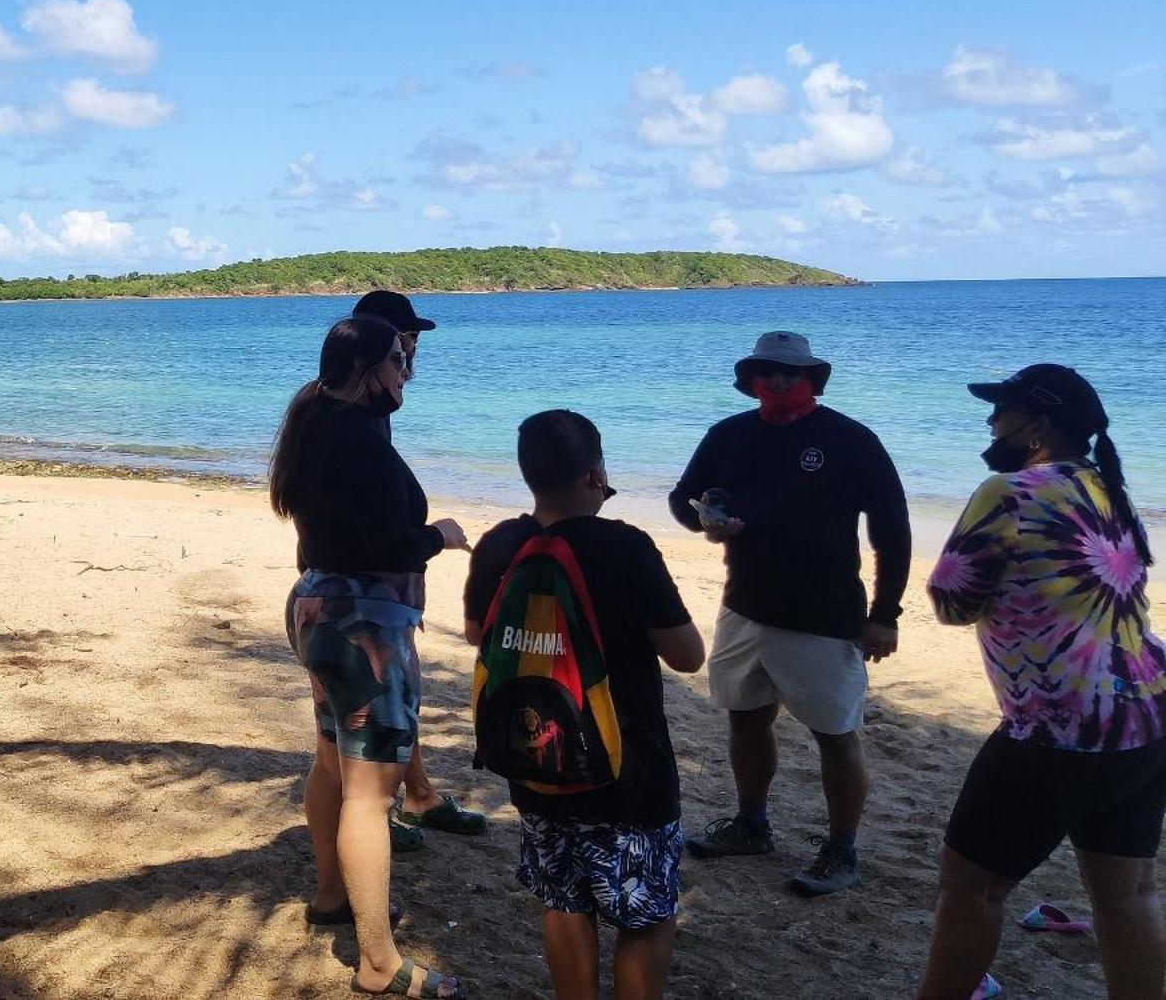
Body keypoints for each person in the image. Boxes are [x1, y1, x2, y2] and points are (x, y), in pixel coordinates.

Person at [916, 365, 1166, 1000]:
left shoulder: (1010, 491)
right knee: (1129, 893)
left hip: (1061, 725)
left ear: (1038, 423)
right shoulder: (1109, 486)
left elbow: (952, 600)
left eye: (1001, 409)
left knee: (970, 885)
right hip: (1147, 713)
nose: (990, 421)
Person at [465, 410, 705, 1000]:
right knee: (645, 916)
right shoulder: (627, 546)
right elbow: (687, 655)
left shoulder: (501, 542)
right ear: (596, 473)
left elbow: (478, 633)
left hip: (537, 757)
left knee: (564, 901)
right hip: (628, 770)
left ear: (528, 477)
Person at [666, 331, 910, 896]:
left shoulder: (849, 439)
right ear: (750, 379)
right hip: (744, 605)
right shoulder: (728, 434)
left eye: (789, 372)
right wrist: (705, 520)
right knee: (745, 719)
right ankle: (752, 824)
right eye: (766, 371)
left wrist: (886, 613)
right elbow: (683, 499)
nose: (776, 381)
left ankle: (842, 850)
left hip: (824, 615)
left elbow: (892, 530)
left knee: (836, 736)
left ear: (811, 379)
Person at [275, 315, 470, 998]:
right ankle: (379, 962)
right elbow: (381, 543)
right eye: (398, 360)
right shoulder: (357, 438)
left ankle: (332, 895)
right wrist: (438, 536)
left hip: (318, 606)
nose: (404, 372)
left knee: (332, 762)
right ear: (367, 371)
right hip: (362, 625)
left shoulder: (316, 420)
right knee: (368, 796)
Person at [352, 289, 489, 848]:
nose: (411, 353)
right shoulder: (351, 417)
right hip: (363, 590)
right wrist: (434, 538)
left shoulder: (359, 409)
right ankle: (378, 812)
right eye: (405, 343)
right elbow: (367, 528)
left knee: (394, 695)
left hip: (374, 588)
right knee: (369, 703)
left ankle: (418, 794)